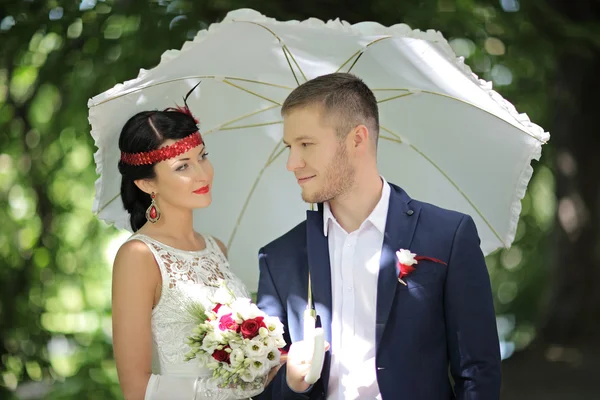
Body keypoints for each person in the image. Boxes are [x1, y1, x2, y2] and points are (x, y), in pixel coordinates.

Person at [255, 72, 501, 400]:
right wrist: (293, 383)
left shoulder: (448, 236)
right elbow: (263, 388)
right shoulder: (279, 258)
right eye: (290, 146)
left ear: (357, 139)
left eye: (306, 144)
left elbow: (478, 373)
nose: (292, 163)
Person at [111, 99, 283, 400]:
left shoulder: (216, 247)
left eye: (202, 156)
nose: (202, 174)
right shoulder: (138, 257)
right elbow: (136, 389)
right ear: (146, 183)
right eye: (182, 166)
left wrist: (269, 364)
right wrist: (248, 385)